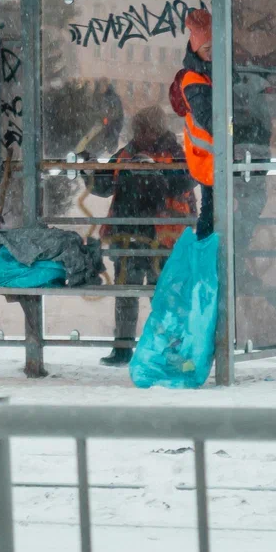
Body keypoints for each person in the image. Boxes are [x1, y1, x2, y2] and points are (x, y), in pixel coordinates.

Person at [84, 106, 196, 366]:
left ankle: (169, 349)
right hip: (129, 235)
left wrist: (154, 173)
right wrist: (87, 169)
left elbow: (185, 182)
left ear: (156, 129)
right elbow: (102, 185)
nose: (140, 135)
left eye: (144, 129)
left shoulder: (173, 152)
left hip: (164, 237)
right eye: (138, 130)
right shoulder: (127, 153)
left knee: (163, 294)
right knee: (127, 292)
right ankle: (123, 348)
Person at [176, 8, 215, 238]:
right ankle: (205, 262)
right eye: (206, 50)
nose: (211, 55)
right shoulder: (193, 79)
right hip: (208, 161)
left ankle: (208, 262)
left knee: (213, 214)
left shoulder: (210, 73)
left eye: (213, 48)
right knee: (210, 215)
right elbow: (210, 119)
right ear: (195, 49)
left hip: (214, 158)